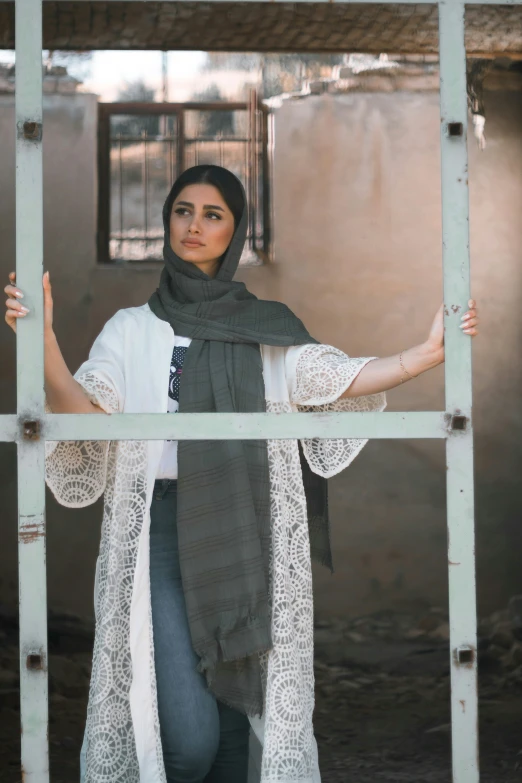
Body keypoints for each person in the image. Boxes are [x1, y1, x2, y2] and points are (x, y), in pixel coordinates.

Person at [4, 164, 479, 783]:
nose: (193, 225)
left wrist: (424, 355)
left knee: (234, 735)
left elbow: (331, 380)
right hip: (163, 531)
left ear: (236, 232)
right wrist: (43, 349)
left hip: (246, 526)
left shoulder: (265, 328)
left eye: (212, 214)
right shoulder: (131, 329)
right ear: (166, 221)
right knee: (191, 743)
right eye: (182, 210)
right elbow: (85, 411)